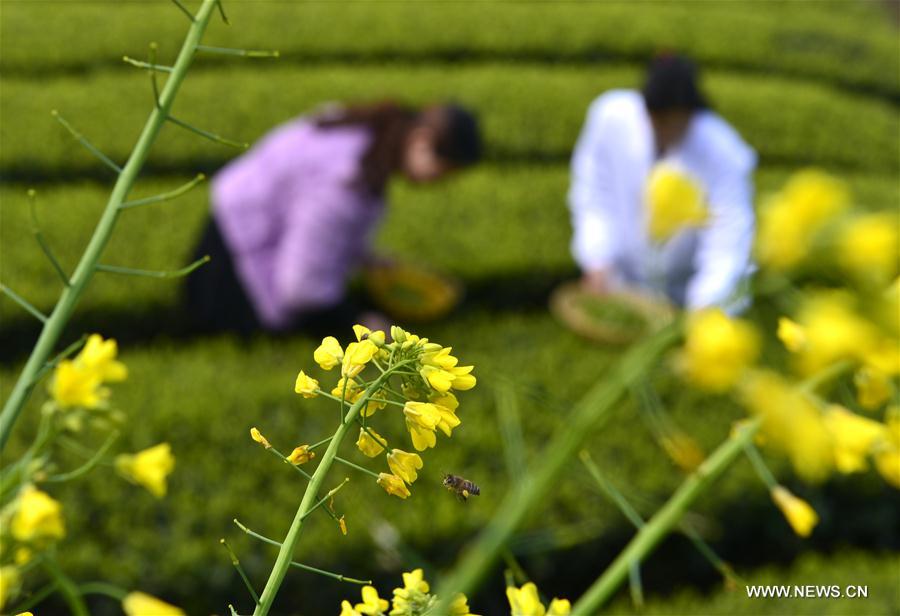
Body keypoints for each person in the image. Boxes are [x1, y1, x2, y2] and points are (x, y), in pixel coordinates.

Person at [184, 102, 481, 334]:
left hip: (232, 224)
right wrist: (361, 323)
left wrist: (363, 257)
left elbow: (315, 220)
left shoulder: (369, 129)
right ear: (421, 140)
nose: (437, 183)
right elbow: (302, 287)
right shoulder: (346, 179)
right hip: (237, 268)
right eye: (442, 172)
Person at [568, 54, 756, 313]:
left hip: (686, 292)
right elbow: (595, 192)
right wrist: (597, 257)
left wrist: (706, 306)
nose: (666, 129)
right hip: (620, 287)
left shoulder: (723, 150)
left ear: (691, 113)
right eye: (659, 119)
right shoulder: (611, 118)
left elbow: (729, 233)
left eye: (674, 120)